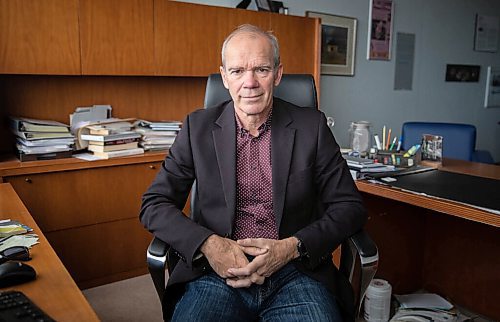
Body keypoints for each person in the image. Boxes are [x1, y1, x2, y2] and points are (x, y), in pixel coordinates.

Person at [140, 24, 366, 322]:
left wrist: (291, 248)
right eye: (237, 71)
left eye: (261, 69)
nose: (250, 83)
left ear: (278, 74)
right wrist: (210, 244)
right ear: (224, 77)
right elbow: (154, 204)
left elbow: (350, 207)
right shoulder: (198, 128)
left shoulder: (311, 127)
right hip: (215, 272)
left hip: (295, 273)